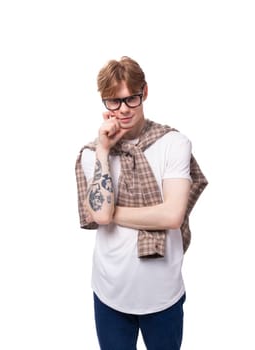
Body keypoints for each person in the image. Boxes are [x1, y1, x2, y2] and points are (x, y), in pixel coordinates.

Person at [75, 56, 207, 350]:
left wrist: (111, 214)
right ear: (104, 102)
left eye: (130, 99)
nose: (122, 109)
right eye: (113, 101)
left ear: (144, 93)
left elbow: (172, 215)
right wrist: (103, 152)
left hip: (162, 294)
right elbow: (98, 212)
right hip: (109, 292)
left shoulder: (174, 143)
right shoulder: (92, 153)